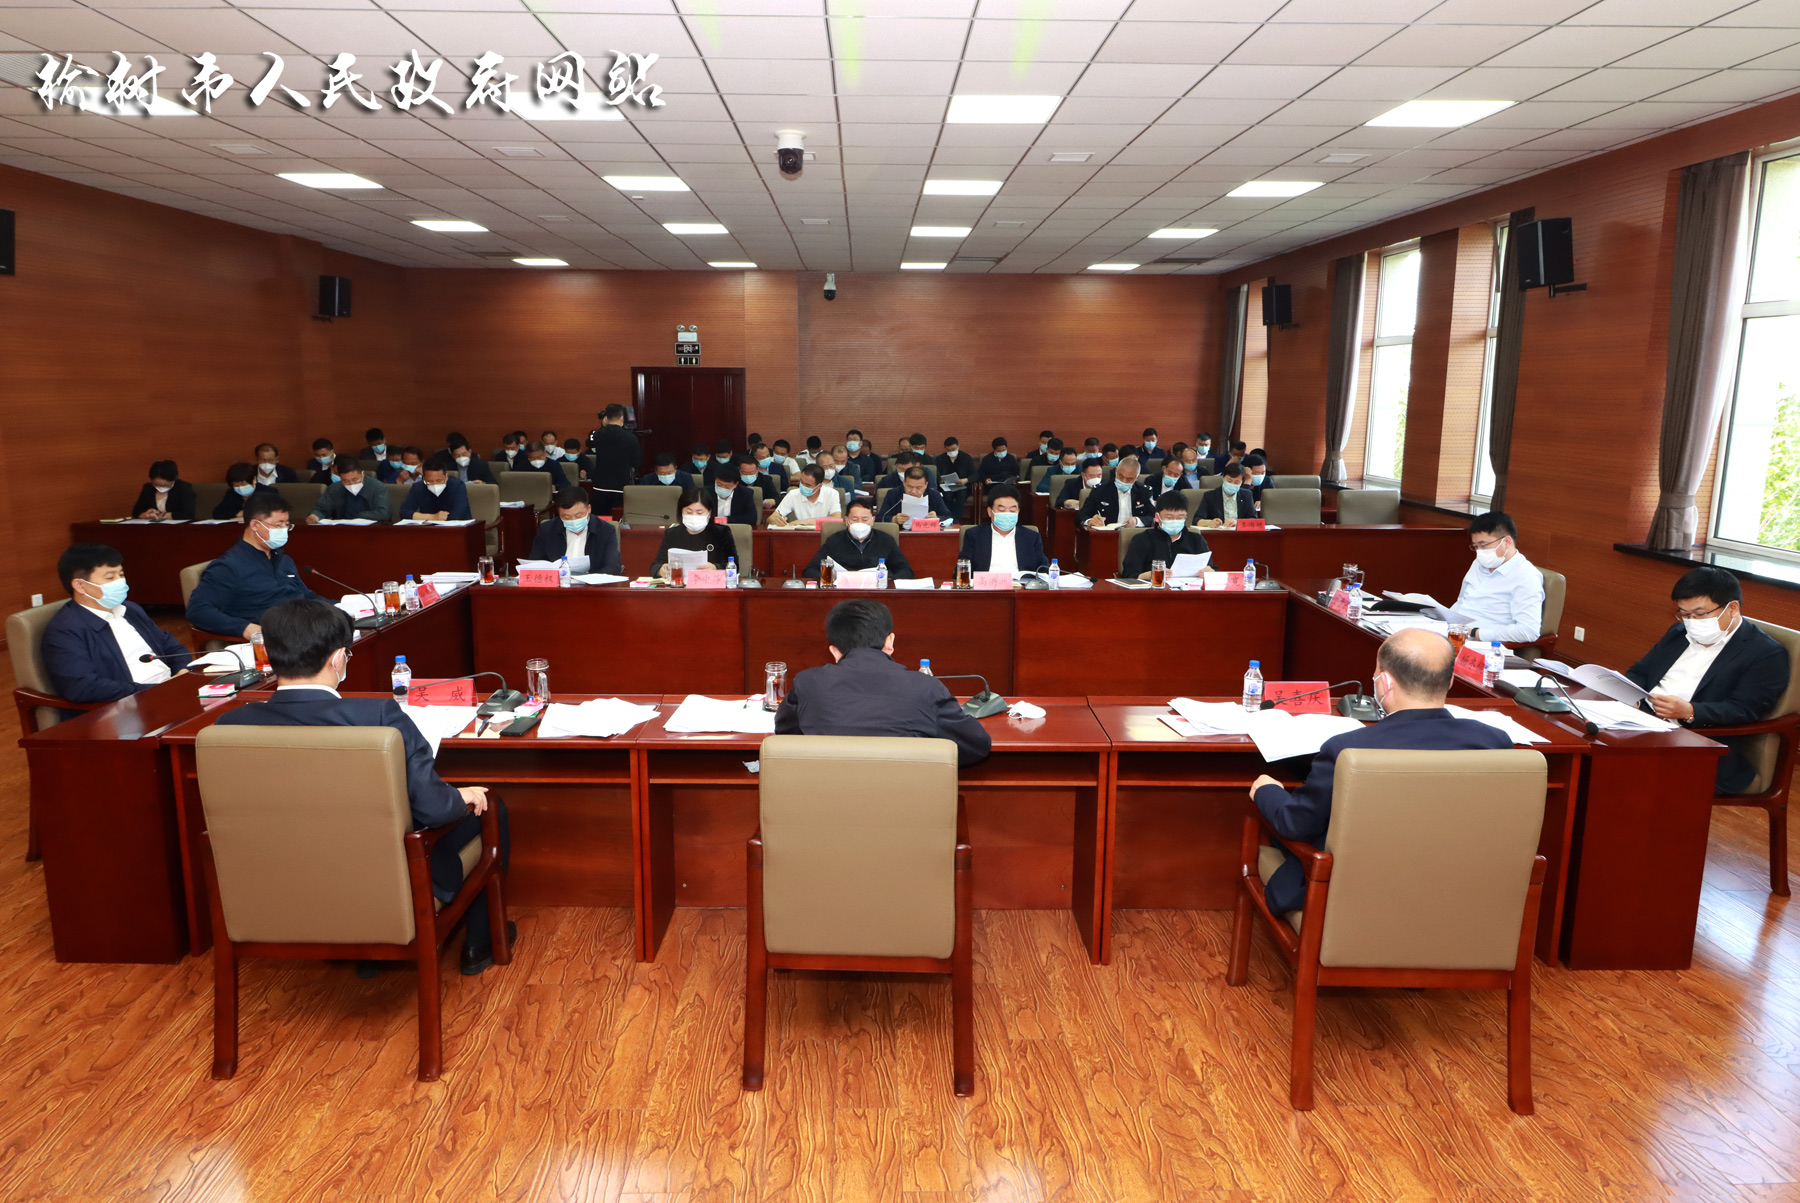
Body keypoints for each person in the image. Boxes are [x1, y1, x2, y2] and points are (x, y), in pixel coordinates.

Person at [215, 600, 514, 975]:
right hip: (382, 888)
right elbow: (435, 809)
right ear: (338, 658)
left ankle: (370, 954)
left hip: (278, 887)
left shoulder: (229, 726)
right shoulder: (378, 717)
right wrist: (460, 796)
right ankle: (481, 943)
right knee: (490, 806)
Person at [1249, 628, 1512, 916]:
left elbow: (1296, 824)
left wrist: (1267, 790)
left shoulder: (1347, 750)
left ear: (1384, 682)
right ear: (1450, 681)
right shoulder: (1495, 743)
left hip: (1355, 896)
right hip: (1460, 893)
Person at [1623, 566, 1791, 792]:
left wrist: (1690, 711)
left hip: (1699, 742)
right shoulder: (1678, 633)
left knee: (1618, 769)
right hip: (1642, 722)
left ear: (1732, 608)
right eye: (1685, 614)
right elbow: (1640, 671)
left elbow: (1744, 709)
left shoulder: (1765, 653)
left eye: (1700, 614)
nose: (1691, 622)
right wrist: (1631, 695)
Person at [775, 599, 991, 767]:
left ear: (834, 651)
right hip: (906, 807)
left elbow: (785, 734)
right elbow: (975, 744)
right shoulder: (926, 688)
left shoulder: (807, 683)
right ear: (890, 642)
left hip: (823, 806)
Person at [43, 542, 193, 706]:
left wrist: (182, 670)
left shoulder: (130, 609)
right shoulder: (65, 629)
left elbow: (171, 646)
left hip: (170, 690)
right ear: (80, 586)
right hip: (130, 705)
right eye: (110, 577)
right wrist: (154, 690)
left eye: (121, 574)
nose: (120, 581)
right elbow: (83, 687)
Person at [186, 493, 321, 639]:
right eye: (278, 525)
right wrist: (246, 628)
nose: (284, 530)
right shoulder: (228, 567)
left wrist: (338, 607)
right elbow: (198, 610)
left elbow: (306, 596)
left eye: (286, 525)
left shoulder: (284, 560)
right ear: (255, 525)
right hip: (273, 639)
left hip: (303, 627)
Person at [1452, 513, 1544, 644]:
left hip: (1483, 643)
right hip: (1455, 632)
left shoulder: (1526, 576)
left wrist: (1476, 633)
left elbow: (1528, 631)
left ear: (1506, 542)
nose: (1479, 552)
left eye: (1484, 545)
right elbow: (1462, 601)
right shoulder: (1478, 563)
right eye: (1476, 546)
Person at [803, 498, 913, 579]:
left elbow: (905, 570)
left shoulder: (886, 540)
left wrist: (886, 580)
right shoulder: (834, 540)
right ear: (847, 520)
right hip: (843, 592)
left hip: (876, 592)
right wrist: (829, 579)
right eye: (855, 519)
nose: (860, 523)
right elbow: (811, 570)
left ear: (873, 520)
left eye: (865, 519)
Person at [960, 483, 1049, 574]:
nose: (1007, 514)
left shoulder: (1031, 537)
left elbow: (1044, 569)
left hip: (1020, 582)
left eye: (1012, 510)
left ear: (1018, 511)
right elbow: (961, 569)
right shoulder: (974, 535)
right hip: (987, 582)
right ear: (990, 512)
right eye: (1002, 510)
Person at [529, 488, 622, 574]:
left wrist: (587, 580)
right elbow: (535, 563)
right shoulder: (547, 529)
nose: (573, 521)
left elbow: (613, 567)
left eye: (578, 516)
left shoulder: (605, 530)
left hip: (592, 584)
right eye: (566, 517)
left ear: (589, 509)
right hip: (558, 583)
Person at [650, 488, 737, 579]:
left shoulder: (721, 533)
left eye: (699, 513)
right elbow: (655, 566)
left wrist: (715, 567)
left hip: (710, 584)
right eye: (689, 512)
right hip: (680, 584)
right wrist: (661, 570)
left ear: (709, 514)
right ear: (681, 512)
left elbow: (734, 565)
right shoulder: (672, 534)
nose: (694, 516)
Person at [1122, 493, 1210, 580]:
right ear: (1157, 517)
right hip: (1153, 587)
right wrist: (1149, 575)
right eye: (1168, 517)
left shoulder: (1197, 540)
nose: (1174, 521)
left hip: (1189, 587)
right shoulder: (1142, 540)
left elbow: (1211, 568)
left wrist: (1210, 572)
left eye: (1180, 517)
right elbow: (1129, 574)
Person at [308, 457, 391, 523]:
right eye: (346, 481)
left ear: (363, 474)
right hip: (343, 529)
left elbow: (383, 513)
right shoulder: (335, 488)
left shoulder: (377, 487)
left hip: (371, 529)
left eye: (355, 479)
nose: (351, 484)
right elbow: (322, 508)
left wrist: (357, 516)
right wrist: (315, 515)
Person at [1079, 454, 1153, 528]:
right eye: (1121, 476)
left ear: (1137, 477)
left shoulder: (1144, 491)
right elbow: (1081, 516)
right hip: (1108, 533)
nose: (1124, 481)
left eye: (1129, 479)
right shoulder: (1100, 490)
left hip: (1134, 533)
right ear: (1116, 471)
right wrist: (1091, 521)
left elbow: (1153, 516)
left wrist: (1137, 521)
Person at [878, 466, 957, 529]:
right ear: (904, 483)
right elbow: (880, 518)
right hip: (900, 534)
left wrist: (937, 518)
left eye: (918, 488)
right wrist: (893, 519)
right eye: (910, 486)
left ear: (926, 485)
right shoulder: (893, 494)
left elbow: (948, 517)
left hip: (927, 534)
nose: (913, 491)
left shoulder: (934, 495)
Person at [399, 453, 472, 521]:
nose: (434, 484)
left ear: (446, 477)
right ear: (424, 478)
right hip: (429, 527)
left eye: (439, 480)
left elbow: (457, 514)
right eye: (430, 481)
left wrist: (421, 517)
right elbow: (404, 512)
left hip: (457, 527)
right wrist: (432, 517)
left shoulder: (457, 486)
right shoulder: (418, 487)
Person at [770, 463, 842, 527]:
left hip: (824, 534)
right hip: (801, 535)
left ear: (819, 486)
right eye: (801, 482)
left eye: (808, 485)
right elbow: (771, 518)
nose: (803, 486)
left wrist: (807, 522)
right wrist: (776, 520)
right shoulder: (793, 494)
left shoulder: (832, 494)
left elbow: (837, 518)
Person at [590, 403, 640, 493]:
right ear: (622, 418)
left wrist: (603, 426)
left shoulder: (598, 434)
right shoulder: (631, 437)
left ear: (606, 418)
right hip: (621, 485)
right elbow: (636, 462)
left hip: (600, 485)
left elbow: (590, 442)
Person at [1195, 460, 1257, 526]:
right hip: (1217, 532)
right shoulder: (1210, 496)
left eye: (1237, 482)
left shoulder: (1247, 495)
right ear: (1223, 477)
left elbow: (1254, 519)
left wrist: (1238, 523)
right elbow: (1196, 520)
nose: (1232, 484)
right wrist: (1210, 522)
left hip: (1239, 532)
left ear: (1242, 482)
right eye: (1229, 481)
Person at [130, 460, 195, 521]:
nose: (160, 488)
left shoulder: (183, 487)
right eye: (156, 485)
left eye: (165, 485)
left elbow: (188, 514)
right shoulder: (148, 488)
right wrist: (146, 514)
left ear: (174, 479)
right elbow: (136, 512)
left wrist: (163, 515)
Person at [212, 462, 278, 521]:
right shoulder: (232, 494)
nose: (240, 487)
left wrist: (247, 515)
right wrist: (237, 513)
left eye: (243, 484)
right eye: (236, 485)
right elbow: (217, 513)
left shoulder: (269, 492)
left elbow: (275, 513)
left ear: (254, 480)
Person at [711, 457, 764, 526]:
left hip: (736, 529)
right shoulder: (706, 493)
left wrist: (722, 520)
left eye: (727, 486)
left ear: (735, 484)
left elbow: (751, 518)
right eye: (719, 484)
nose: (722, 488)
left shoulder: (745, 494)